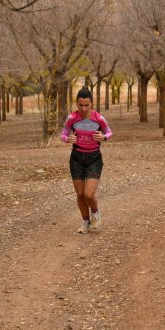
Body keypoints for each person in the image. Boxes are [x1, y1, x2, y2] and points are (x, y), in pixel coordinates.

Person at [61, 87, 112, 234]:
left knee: (88, 194)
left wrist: (104, 137)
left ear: (92, 104)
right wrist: (68, 139)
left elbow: (109, 132)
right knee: (80, 194)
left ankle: (95, 213)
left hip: (94, 158)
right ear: (77, 104)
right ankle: (85, 222)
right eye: (80, 105)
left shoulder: (98, 118)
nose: (83, 109)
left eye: (86, 105)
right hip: (76, 158)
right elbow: (63, 134)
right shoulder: (72, 118)